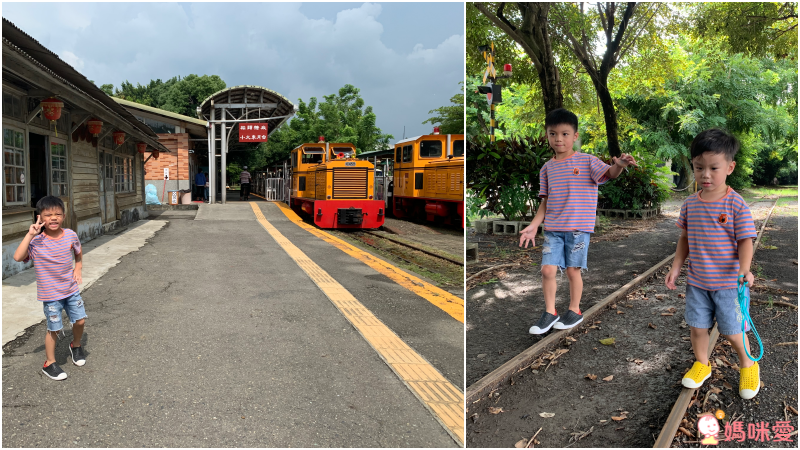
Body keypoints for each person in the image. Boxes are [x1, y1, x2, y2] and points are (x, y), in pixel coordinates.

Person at [519, 108, 636, 333]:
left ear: (575, 136)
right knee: (547, 270)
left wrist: (619, 165)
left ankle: (575, 310)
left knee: (573, 271)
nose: (558, 139)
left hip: (577, 230)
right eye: (553, 134)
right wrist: (534, 226)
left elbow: (609, 174)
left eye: (564, 134)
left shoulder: (587, 161)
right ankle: (550, 312)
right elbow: (545, 201)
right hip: (553, 229)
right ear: (547, 135)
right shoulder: (547, 168)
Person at [665, 129, 759, 399]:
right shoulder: (689, 205)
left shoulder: (736, 204)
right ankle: (702, 364)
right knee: (697, 327)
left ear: (729, 167)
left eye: (713, 168)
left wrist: (745, 270)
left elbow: (745, 241)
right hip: (697, 281)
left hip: (729, 284)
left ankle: (748, 363)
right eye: (699, 168)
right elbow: (684, 238)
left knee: (732, 331)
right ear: (692, 166)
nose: (705, 174)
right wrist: (676, 267)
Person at [13, 196, 86, 380]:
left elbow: (78, 252)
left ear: (63, 216)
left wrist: (78, 267)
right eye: (48, 215)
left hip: (71, 289)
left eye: (58, 214)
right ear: (40, 218)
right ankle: (49, 363)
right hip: (51, 294)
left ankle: (75, 346)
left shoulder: (70, 235)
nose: (53, 218)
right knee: (54, 328)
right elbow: (17, 257)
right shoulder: (36, 242)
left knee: (80, 321)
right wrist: (30, 234)